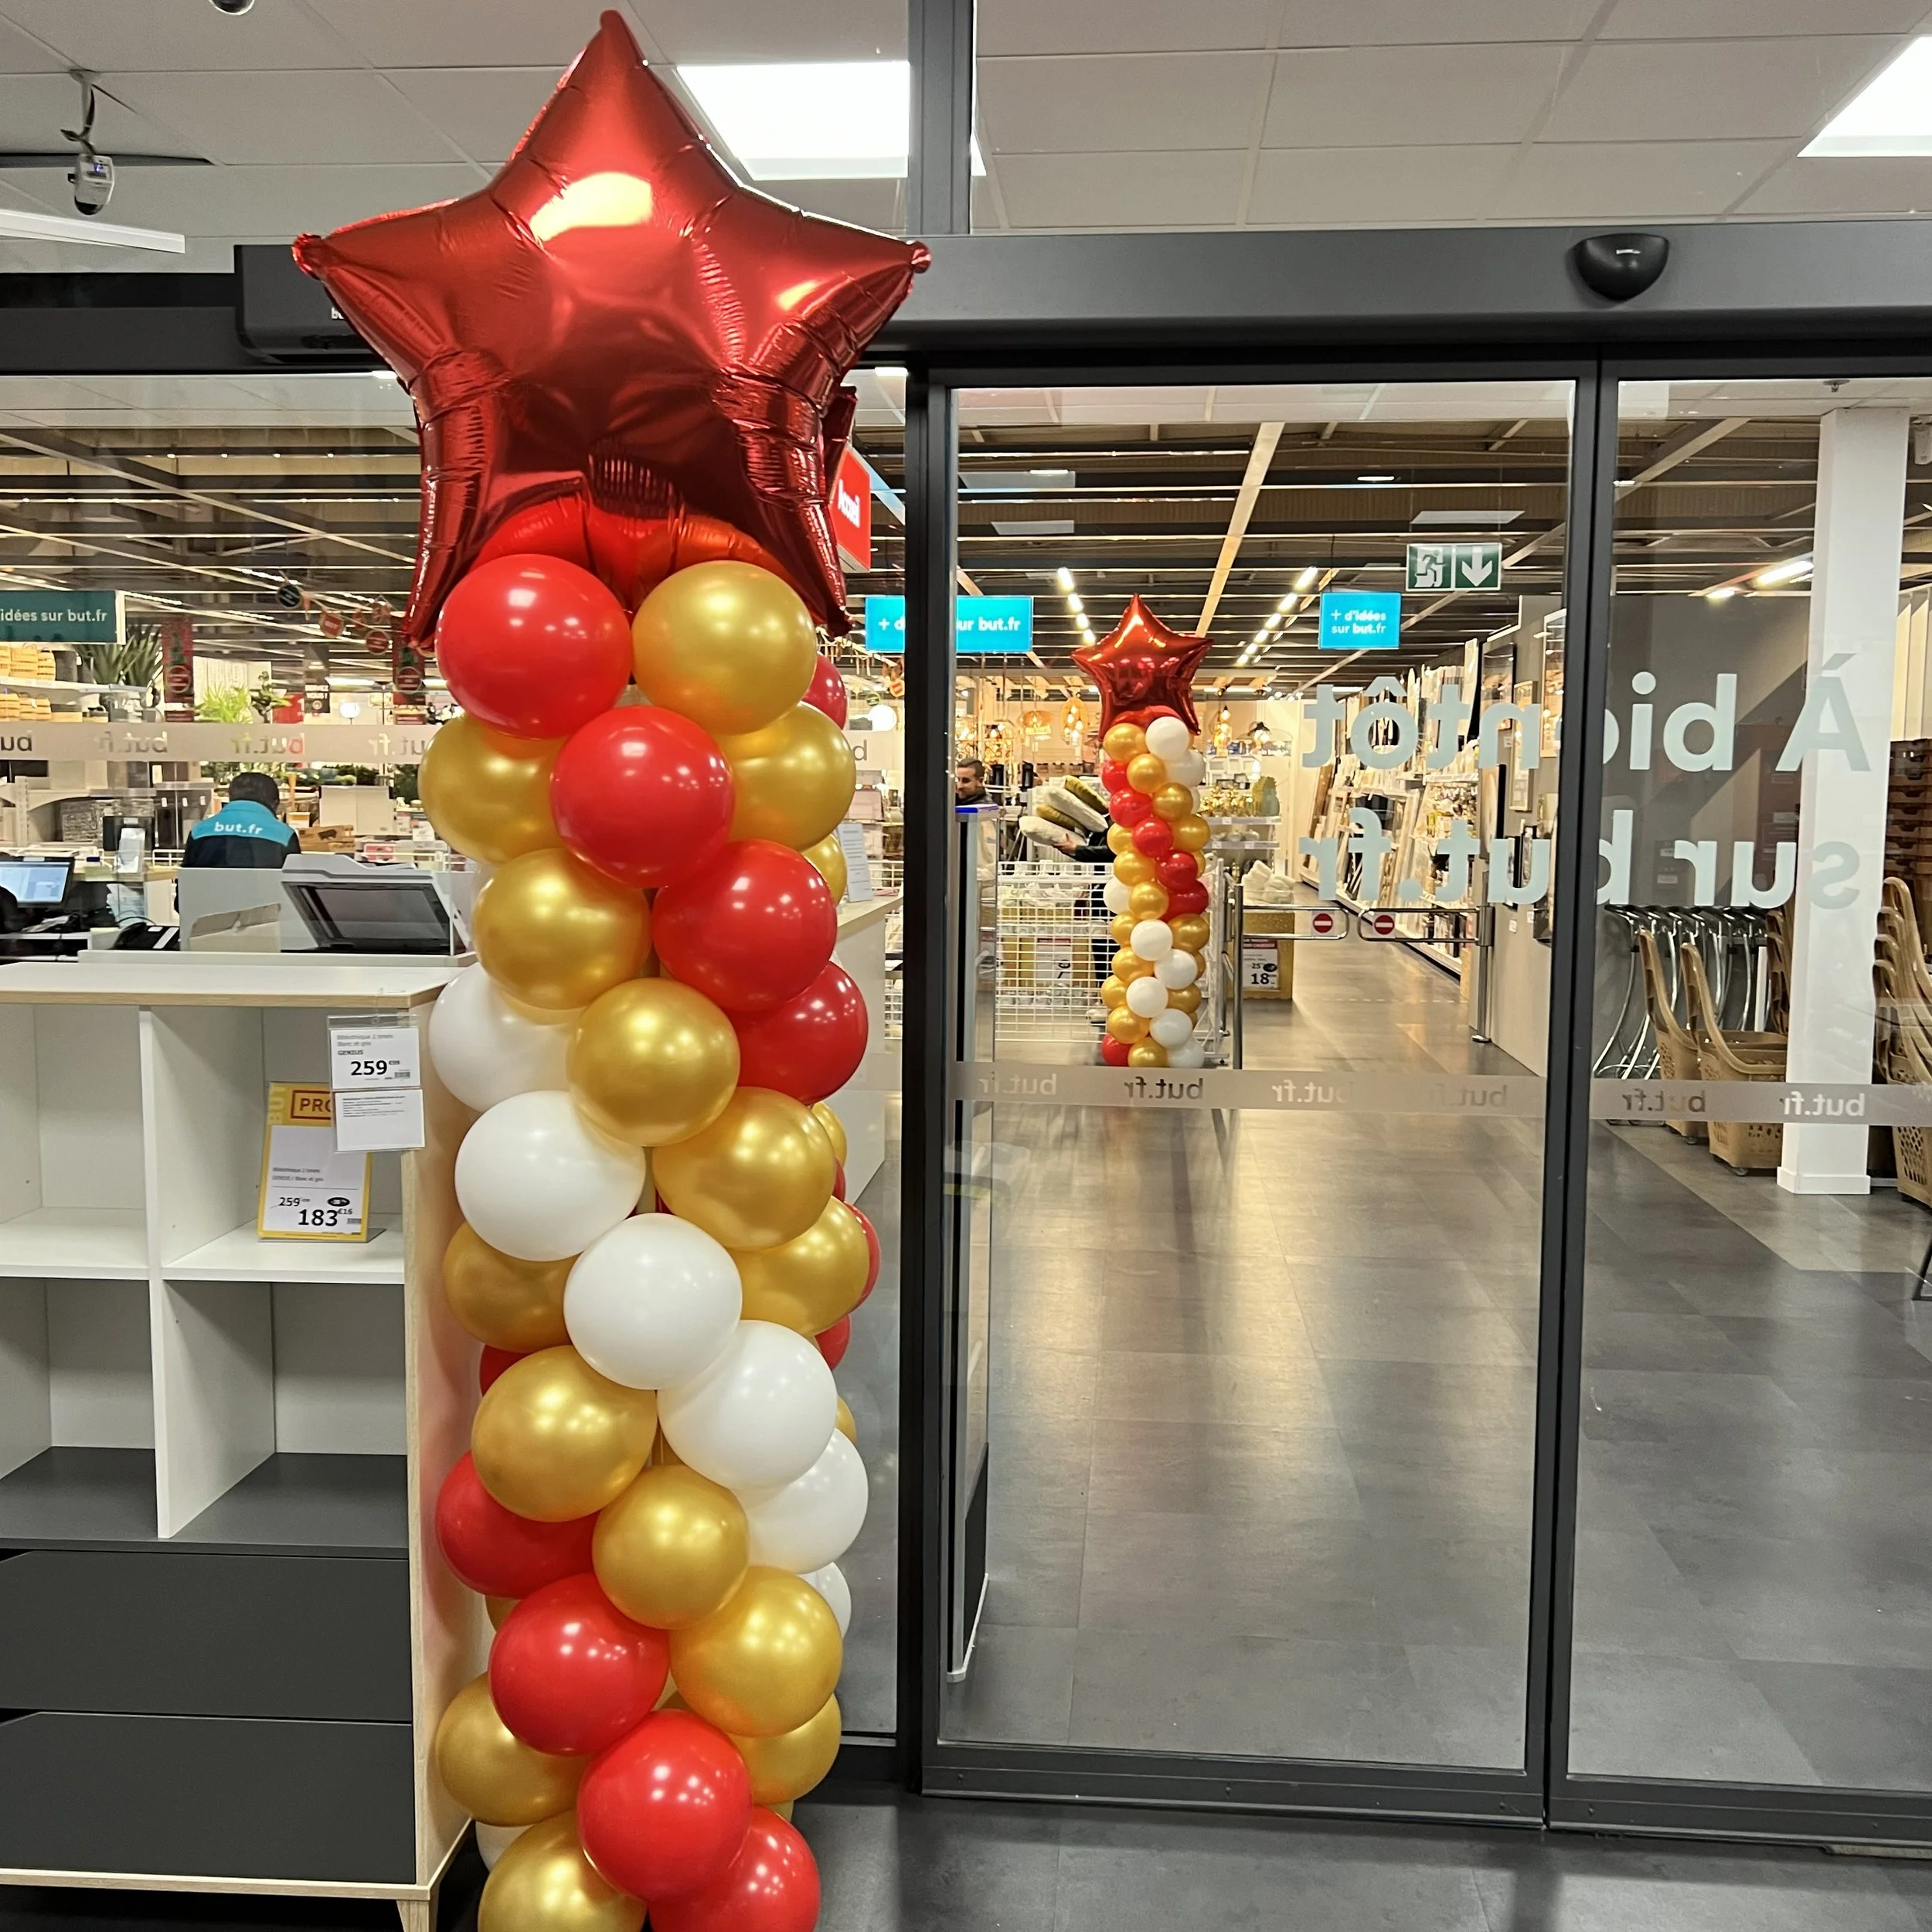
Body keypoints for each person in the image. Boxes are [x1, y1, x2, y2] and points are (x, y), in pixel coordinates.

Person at [182, 771, 301, 869]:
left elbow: (185, 882)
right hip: (266, 898)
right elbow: (296, 886)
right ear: (275, 804)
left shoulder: (200, 831)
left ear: (230, 798)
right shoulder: (283, 835)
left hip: (206, 898)